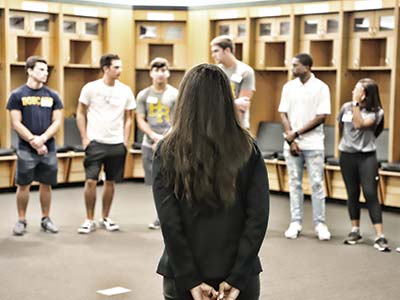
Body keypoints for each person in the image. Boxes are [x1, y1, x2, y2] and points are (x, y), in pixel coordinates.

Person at [152, 63, 269, 300]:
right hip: (239, 276)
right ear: (227, 99)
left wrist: (191, 280)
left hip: (182, 277)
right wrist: (237, 278)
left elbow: (170, 222)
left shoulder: (167, 150)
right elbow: (257, 217)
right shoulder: (247, 148)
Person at [76, 53, 136, 234]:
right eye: (116, 67)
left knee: (110, 183)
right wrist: (85, 138)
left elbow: (128, 118)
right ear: (105, 69)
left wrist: (125, 141)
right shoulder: (90, 88)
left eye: (120, 67)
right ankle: (89, 219)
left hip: (116, 143)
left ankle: (105, 218)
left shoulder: (125, 90)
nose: (120, 70)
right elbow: (80, 112)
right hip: (95, 143)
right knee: (91, 181)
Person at [6, 56, 63, 236]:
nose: (45, 73)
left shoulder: (53, 95)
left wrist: (43, 139)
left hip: (48, 147)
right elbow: (16, 122)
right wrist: (33, 140)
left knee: (46, 184)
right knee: (23, 185)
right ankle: (21, 219)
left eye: (46, 70)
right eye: (40, 70)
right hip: (25, 148)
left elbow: (57, 121)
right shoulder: (17, 95)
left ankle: (46, 218)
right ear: (29, 70)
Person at [278, 53, 332, 241]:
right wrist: (291, 139)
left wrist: (296, 134)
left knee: (317, 183)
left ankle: (320, 224)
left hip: (314, 144)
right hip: (292, 143)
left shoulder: (321, 88)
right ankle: (296, 222)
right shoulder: (289, 87)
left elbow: (321, 116)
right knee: (295, 183)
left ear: (307, 67)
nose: (292, 68)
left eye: (296, 65)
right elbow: (283, 113)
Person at [338, 78, 390, 252]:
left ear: (365, 93)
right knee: (352, 193)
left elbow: (359, 124)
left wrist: (355, 103)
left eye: (357, 89)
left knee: (370, 193)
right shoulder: (345, 107)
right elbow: (341, 126)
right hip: (347, 156)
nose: (353, 91)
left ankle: (379, 236)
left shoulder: (377, 112)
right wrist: (344, 144)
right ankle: (355, 230)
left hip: (366, 157)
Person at [135, 57, 178, 230]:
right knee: (156, 183)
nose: (160, 74)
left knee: (171, 181)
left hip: (171, 143)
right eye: (156, 70)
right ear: (151, 73)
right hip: (149, 143)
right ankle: (160, 215)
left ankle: (171, 215)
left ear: (168, 72)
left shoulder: (175, 94)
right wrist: (153, 136)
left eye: (163, 70)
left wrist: (163, 139)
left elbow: (178, 120)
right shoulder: (143, 95)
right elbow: (140, 119)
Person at [210, 35, 255, 129]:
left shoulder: (245, 71)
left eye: (216, 51)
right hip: (217, 123)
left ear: (227, 50)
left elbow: (243, 104)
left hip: (238, 124)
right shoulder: (215, 71)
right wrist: (234, 103)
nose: (213, 55)